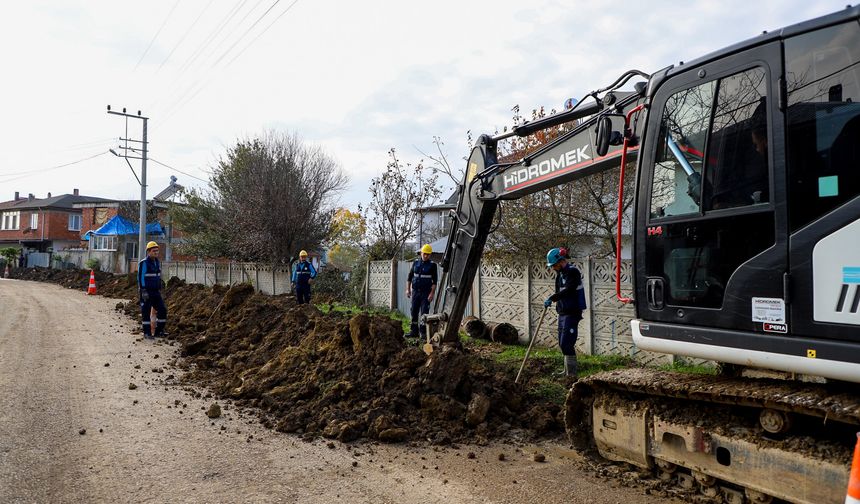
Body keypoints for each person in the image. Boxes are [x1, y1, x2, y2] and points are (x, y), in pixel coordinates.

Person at [543, 247, 586, 378]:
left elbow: (569, 291)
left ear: (561, 261)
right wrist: (555, 303)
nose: (553, 268)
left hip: (572, 312)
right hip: (563, 312)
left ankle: (572, 374)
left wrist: (552, 298)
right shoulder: (560, 275)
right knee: (562, 344)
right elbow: (559, 292)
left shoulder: (573, 272)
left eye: (554, 265)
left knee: (567, 343)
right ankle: (566, 371)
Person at [406, 244, 438, 339]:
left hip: (426, 293)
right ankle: (413, 331)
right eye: (424, 254)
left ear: (430, 255)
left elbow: (434, 281)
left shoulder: (432, 265)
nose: (426, 256)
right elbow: (409, 277)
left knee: (424, 312)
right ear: (421, 253)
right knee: (414, 311)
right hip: (415, 292)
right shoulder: (415, 263)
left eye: (428, 254)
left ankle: (423, 332)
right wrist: (408, 289)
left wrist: (432, 293)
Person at [138, 241, 167, 340]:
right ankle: (147, 333)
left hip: (155, 292)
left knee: (162, 309)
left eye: (157, 251)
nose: (156, 253)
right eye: (154, 251)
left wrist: (161, 285)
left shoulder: (157, 262)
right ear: (148, 251)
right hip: (146, 291)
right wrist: (143, 290)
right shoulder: (144, 263)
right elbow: (141, 277)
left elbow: (158, 275)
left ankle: (159, 331)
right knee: (146, 312)